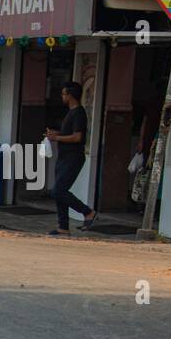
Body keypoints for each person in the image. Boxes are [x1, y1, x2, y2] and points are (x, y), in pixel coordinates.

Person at [45, 81, 98, 235]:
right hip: (63, 156)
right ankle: (63, 226)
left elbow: (77, 137)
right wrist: (56, 134)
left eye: (63, 94)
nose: (62, 96)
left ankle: (88, 212)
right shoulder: (71, 112)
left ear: (70, 95)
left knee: (58, 191)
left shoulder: (79, 113)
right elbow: (69, 133)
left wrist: (57, 139)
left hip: (73, 157)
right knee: (60, 192)